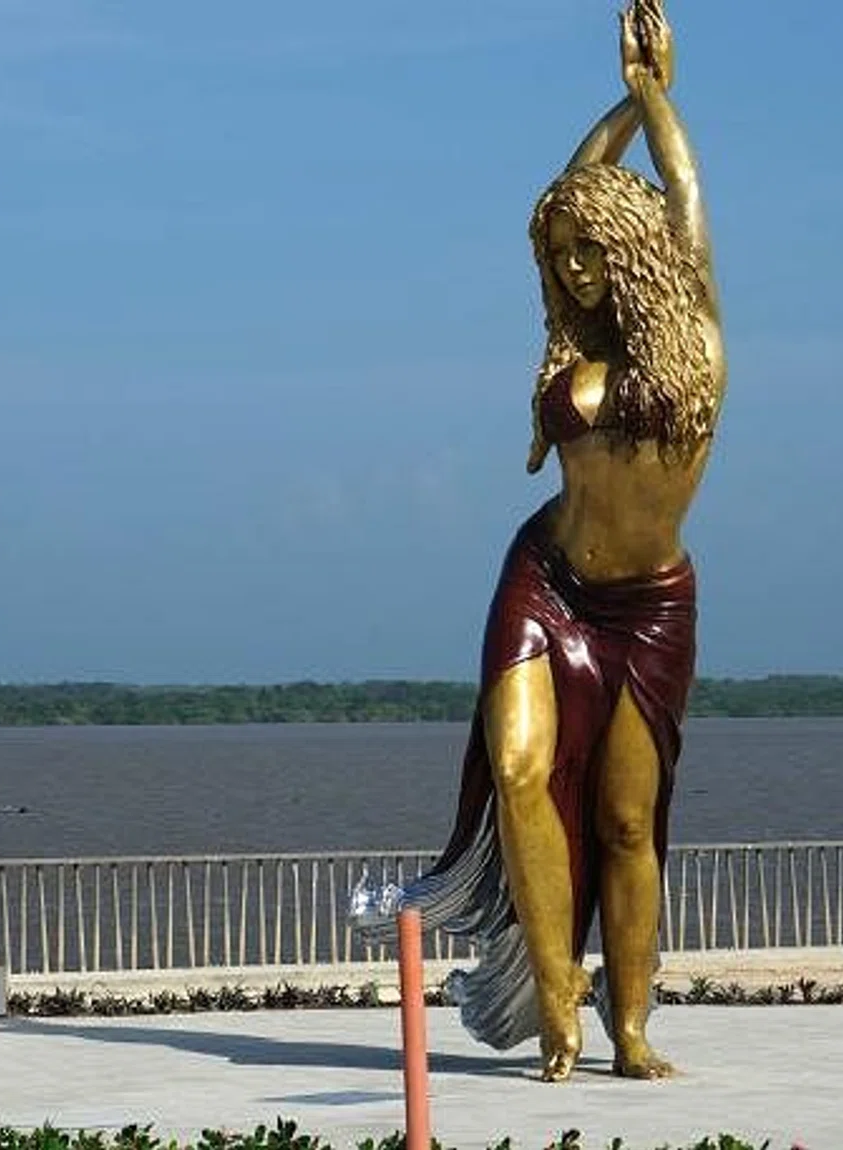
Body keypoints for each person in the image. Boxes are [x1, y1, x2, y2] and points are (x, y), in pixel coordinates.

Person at [355, 0, 723, 1082]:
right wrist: (606, 112)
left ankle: (633, 1026)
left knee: (622, 821)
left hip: (647, 610)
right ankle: (559, 1011)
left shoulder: (693, 337)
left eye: (587, 250)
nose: (571, 270)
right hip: (546, 579)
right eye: (559, 255)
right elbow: (567, 190)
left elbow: (688, 204)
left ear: (633, 247)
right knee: (519, 773)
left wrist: (652, 96)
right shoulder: (571, 340)